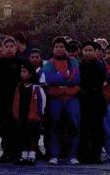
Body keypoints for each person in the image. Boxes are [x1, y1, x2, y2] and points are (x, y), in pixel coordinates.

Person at [40, 37, 80, 165]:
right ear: (52, 49)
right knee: (54, 126)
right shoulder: (48, 63)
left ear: (65, 49)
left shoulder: (73, 61)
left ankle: (72, 155)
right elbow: (47, 80)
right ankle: (54, 155)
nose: (59, 49)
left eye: (62, 46)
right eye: (56, 46)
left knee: (74, 126)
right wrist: (64, 78)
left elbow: (76, 79)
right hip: (55, 100)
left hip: (72, 98)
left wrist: (59, 80)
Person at [0, 37, 23, 162]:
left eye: (12, 46)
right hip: (3, 100)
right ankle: (5, 152)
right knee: (5, 127)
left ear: (16, 48)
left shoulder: (22, 62)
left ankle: (17, 152)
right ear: (3, 48)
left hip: (18, 99)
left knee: (17, 127)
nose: (10, 49)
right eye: (7, 47)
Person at [78, 41, 107, 164]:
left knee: (96, 129)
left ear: (96, 52)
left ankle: (96, 155)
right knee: (83, 129)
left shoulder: (100, 66)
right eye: (86, 50)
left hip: (96, 100)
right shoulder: (78, 66)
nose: (88, 52)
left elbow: (100, 82)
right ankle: (83, 155)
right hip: (82, 101)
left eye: (90, 50)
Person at [13, 65, 46, 165]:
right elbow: (16, 101)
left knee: (33, 137)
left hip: (33, 117)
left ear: (30, 74)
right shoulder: (19, 87)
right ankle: (24, 156)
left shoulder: (36, 88)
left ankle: (32, 156)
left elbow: (42, 101)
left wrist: (40, 114)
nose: (21, 73)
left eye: (24, 71)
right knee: (23, 136)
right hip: (22, 116)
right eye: (21, 71)